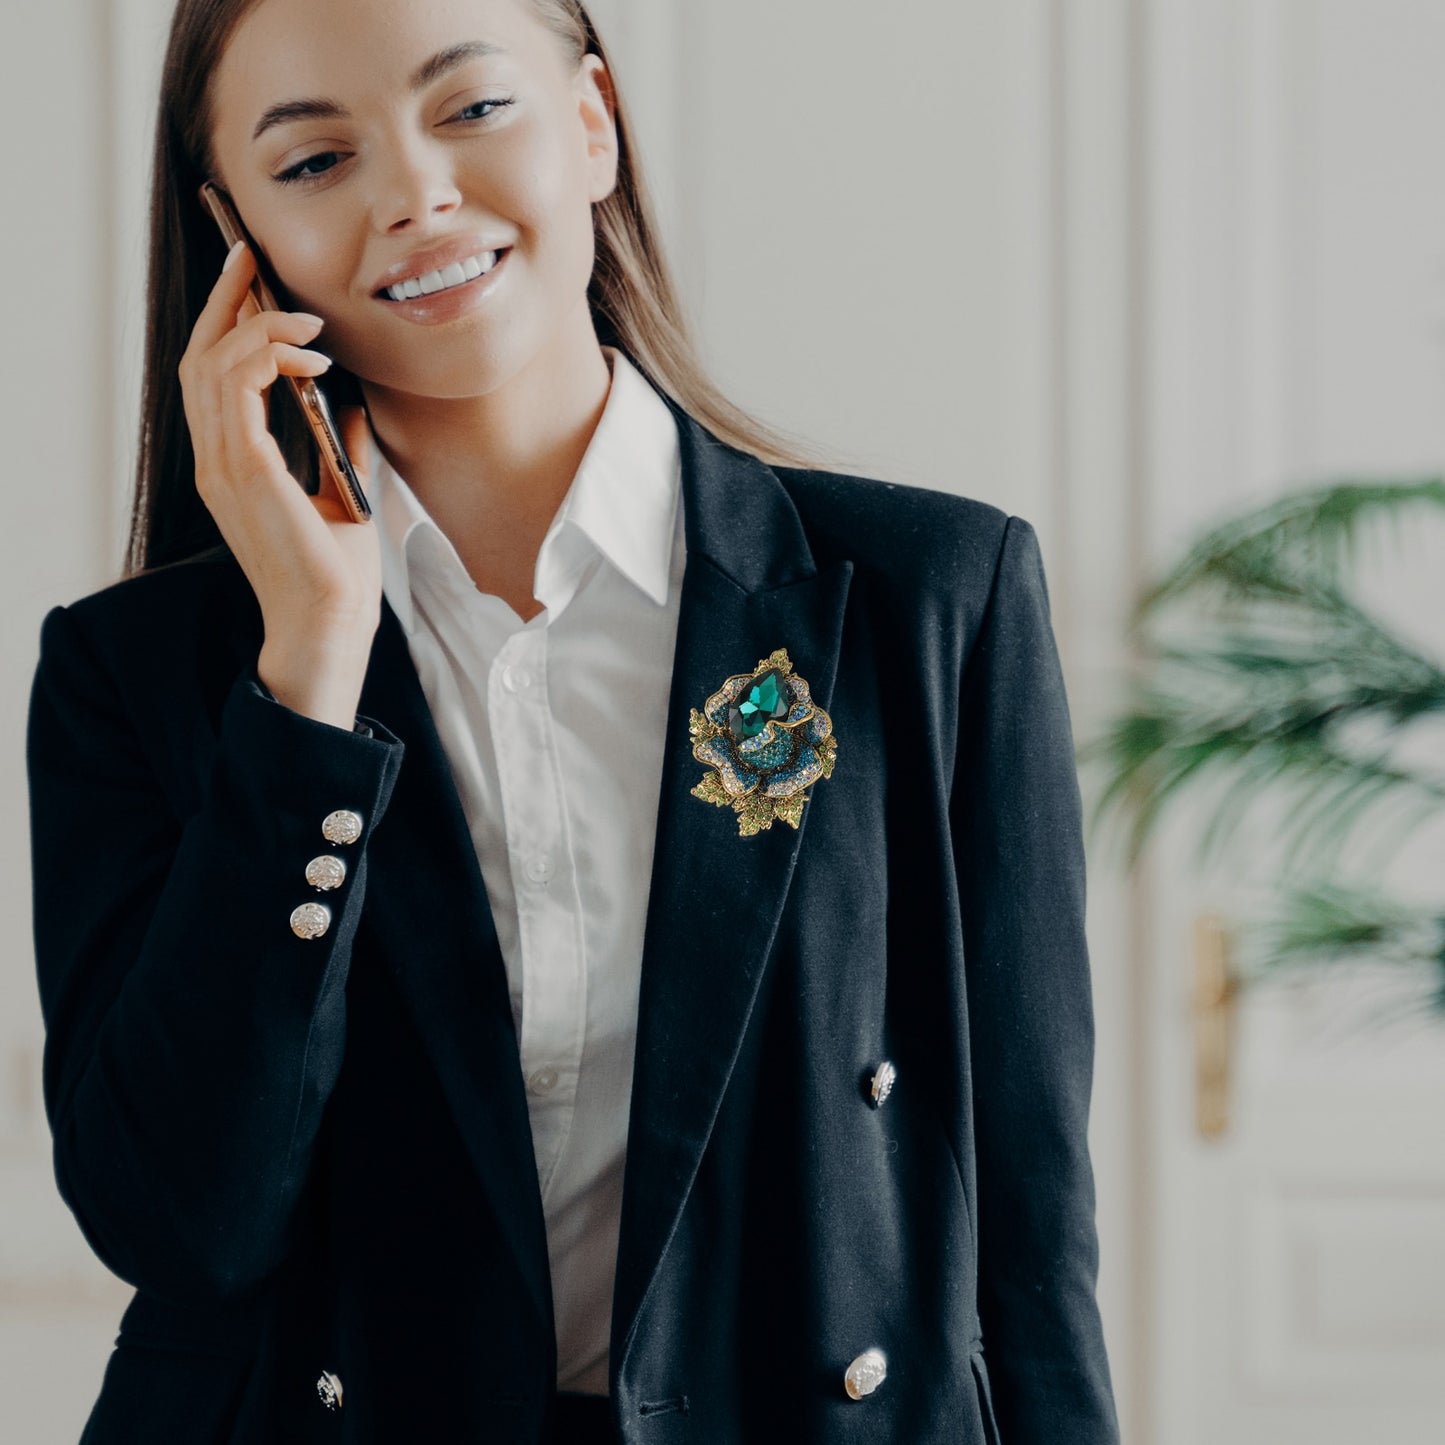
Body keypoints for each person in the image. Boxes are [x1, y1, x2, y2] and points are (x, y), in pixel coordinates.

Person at [25, 0, 1121, 1441]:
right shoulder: (143, 671)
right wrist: (308, 672)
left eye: (472, 110)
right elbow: (181, 1227)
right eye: (313, 162)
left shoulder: (929, 598)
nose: (414, 194)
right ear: (236, 238)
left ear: (592, 121)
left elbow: (1029, 1233)